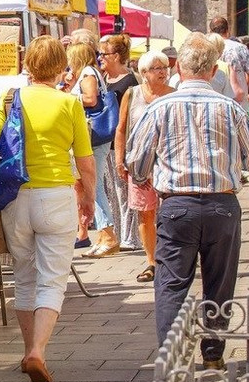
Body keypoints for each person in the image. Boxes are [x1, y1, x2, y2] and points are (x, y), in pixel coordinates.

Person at [127, 32, 249, 369]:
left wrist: (147, 175)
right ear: (213, 69)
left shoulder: (160, 107)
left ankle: (172, 358)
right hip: (221, 203)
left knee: (171, 283)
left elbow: (137, 161)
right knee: (219, 282)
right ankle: (213, 355)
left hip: (176, 204)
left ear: (179, 69)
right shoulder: (230, 107)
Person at [0, 36, 96, 382]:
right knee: (53, 279)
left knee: (25, 276)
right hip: (56, 196)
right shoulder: (69, 103)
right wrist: (88, 199)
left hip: (16, 199)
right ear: (62, 66)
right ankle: (38, 351)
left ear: (28, 64)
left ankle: (27, 348)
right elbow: (86, 161)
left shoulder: (10, 99)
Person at [114, 51, 175, 284]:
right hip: (139, 163)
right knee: (145, 212)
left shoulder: (173, 95)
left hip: (167, 163)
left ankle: (170, 257)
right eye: (157, 68)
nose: (163, 72)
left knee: (169, 212)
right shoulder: (132, 94)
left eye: (164, 67)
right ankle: (152, 262)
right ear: (144, 73)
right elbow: (121, 128)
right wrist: (120, 160)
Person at [65, 43, 119, 257]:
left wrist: (69, 97)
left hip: (93, 135)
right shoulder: (88, 73)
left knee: (93, 186)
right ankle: (104, 236)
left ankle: (109, 234)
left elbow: (90, 99)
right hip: (92, 137)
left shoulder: (88, 73)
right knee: (90, 185)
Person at [99, 33, 139, 251]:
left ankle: (130, 237)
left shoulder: (129, 82)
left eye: (104, 54)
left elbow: (130, 118)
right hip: (105, 143)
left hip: (121, 144)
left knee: (124, 190)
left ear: (115, 56)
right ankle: (117, 233)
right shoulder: (105, 80)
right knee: (111, 191)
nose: (101, 58)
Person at [208, 16, 249, 109]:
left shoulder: (207, 48)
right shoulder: (241, 48)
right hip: (238, 105)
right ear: (228, 30)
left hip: (214, 105)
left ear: (211, 31)